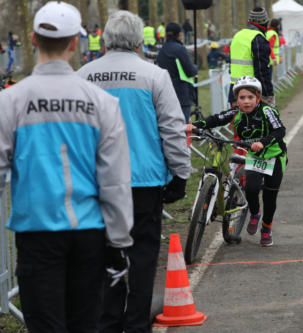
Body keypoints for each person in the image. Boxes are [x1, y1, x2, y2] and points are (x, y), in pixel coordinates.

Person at [0, 2, 134, 331]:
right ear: (75, 43)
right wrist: (119, 242)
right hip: (88, 233)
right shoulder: (102, 102)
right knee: (85, 324)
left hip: (35, 233)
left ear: (32, 39)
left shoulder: (10, 101)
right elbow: (115, 180)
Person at [77, 10, 191, 332]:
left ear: (105, 39)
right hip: (143, 180)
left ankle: (109, 320)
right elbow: (172, 128)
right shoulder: (153, 75)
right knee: (142, 253)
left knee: (105, 252)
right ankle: (137, 322)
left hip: (97, 182)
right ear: (140, 40)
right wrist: (180, 173)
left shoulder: (84, 75)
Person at [186, 76, 287, 247]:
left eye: (250, 97)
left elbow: (280, 130)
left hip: (274, 156)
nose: (246, 102)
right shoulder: (236, 112)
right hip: (254, 156)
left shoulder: (267, 111)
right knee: (251, 188)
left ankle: (266, 228)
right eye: (242, 98)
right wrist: (195, 125)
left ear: (258, 97)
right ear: (236, 99)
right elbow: (216, 119)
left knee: (270, 197)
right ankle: (255, 213)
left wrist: (262, 143)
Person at [229, 7, 274, 107]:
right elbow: (262, 70)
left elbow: (231, 65)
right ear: (265, 23)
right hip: (252, 92)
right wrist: (268, 94)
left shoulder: (237, 36)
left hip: (235, 91)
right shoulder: (258, 38)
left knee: (237, 121)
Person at [157, 22, 198, 123]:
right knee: (182, 127)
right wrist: (195, 67)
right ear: (179, 34)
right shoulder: (180, 49)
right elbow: (190, 71)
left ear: (166, 35)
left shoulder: (161, 51)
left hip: (165, 94)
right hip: (181, 94)